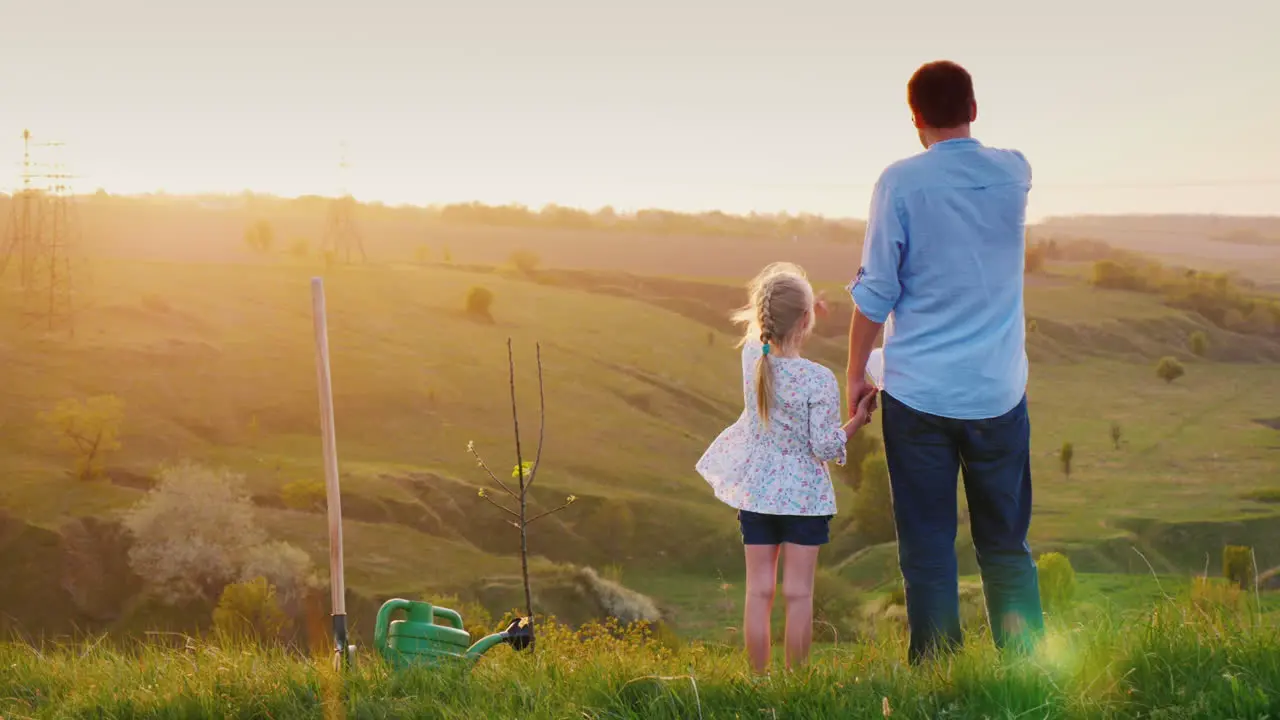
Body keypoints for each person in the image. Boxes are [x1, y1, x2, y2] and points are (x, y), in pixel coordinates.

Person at [844, 60, 1045, 664]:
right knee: (1006, 546)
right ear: (974, 109)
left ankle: (938, 677)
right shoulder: (1014, 172)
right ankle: (1027, 669)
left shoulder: (899, 183)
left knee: (929, 549)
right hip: (997, 394)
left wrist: (856, 373)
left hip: (920, 397)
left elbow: (876, 290)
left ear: (915, 119)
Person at [697, 262, 877, 675]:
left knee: (758, 593)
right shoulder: (817, 379)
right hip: (804, 501)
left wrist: (802, 306)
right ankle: (797, 681)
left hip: (758, 494)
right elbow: (823, 445)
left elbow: (773, 325)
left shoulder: (751, 361)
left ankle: (757, 680)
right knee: (799, 595)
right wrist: (857, 420)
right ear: (806, 320)